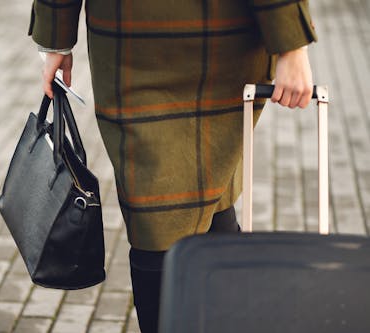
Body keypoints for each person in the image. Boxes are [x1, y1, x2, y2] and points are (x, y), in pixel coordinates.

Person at [29, 1, 317, 332]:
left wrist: (292, 45)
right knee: (158, 217)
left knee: (214, 190)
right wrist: (56, 36)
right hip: (132, 45)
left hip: (223, 45)